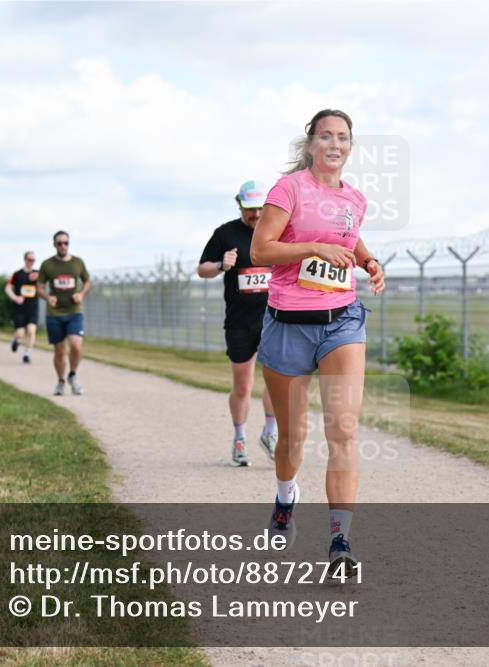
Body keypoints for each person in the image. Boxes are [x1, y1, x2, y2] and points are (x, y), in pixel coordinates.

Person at [251, 109, 385, 577]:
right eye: (325, 136)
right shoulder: (287, 190)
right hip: (288, 321)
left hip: (342, 321)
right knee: (293, 437)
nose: (334, 143)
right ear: (310, 144)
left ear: (350, 147)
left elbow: (347, 237)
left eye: (343, 137)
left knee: (343, 430)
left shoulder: (355, 199)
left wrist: (368, 262)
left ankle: (340, 541)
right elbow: (261, 250)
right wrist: (312, 250)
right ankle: (286, 496)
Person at [198, 181, 279, 467]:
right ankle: (240, 437)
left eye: (260, 208)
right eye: (249, 208)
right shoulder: (225, 233)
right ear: (240, 205)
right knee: (243, 385)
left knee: (276, 381)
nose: (255, 214)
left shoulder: (276, 230)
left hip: (273, 319)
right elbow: (202, 269)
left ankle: (270, 433)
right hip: (240, 322)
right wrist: (221, 264)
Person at [37, 231, 91, 396]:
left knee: (76, 345)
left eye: (66, 243)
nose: (63, 246)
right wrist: (47, 297)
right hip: (54, 313)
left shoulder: (77, 263)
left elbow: (87, 281)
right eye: (59, 243)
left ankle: (72, 375)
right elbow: (39, 287)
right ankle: (60, 381)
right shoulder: (47, 265)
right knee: (59, 351)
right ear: (54, 245)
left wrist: (81, 294)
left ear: (69, 244)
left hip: (74, 311)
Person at [6, 251, 40, 364]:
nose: (31, 262)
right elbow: (8, 288)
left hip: (32, 308)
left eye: (33, 260)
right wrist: (15, 297)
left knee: (31, 331)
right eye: (29, 260)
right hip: (19, 308)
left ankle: (27, 354)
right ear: (25, 260)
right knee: (21, 333)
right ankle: (16, 340)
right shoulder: (17, 274)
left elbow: (46, 282)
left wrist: (39, 278)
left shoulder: (38, 274)